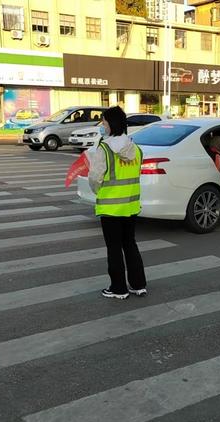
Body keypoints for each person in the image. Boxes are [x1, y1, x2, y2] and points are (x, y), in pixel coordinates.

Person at [88, 106, 147, 299]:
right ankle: (138, 285)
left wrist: (98, 191)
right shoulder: (136, 149)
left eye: (104, 122)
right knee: (130, 244)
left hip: (111, 208)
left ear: (112, 125)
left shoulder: (104, 149)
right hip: (131, 206)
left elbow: (95, 178)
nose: (102, 126)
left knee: (114, 248)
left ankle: (118, 288)